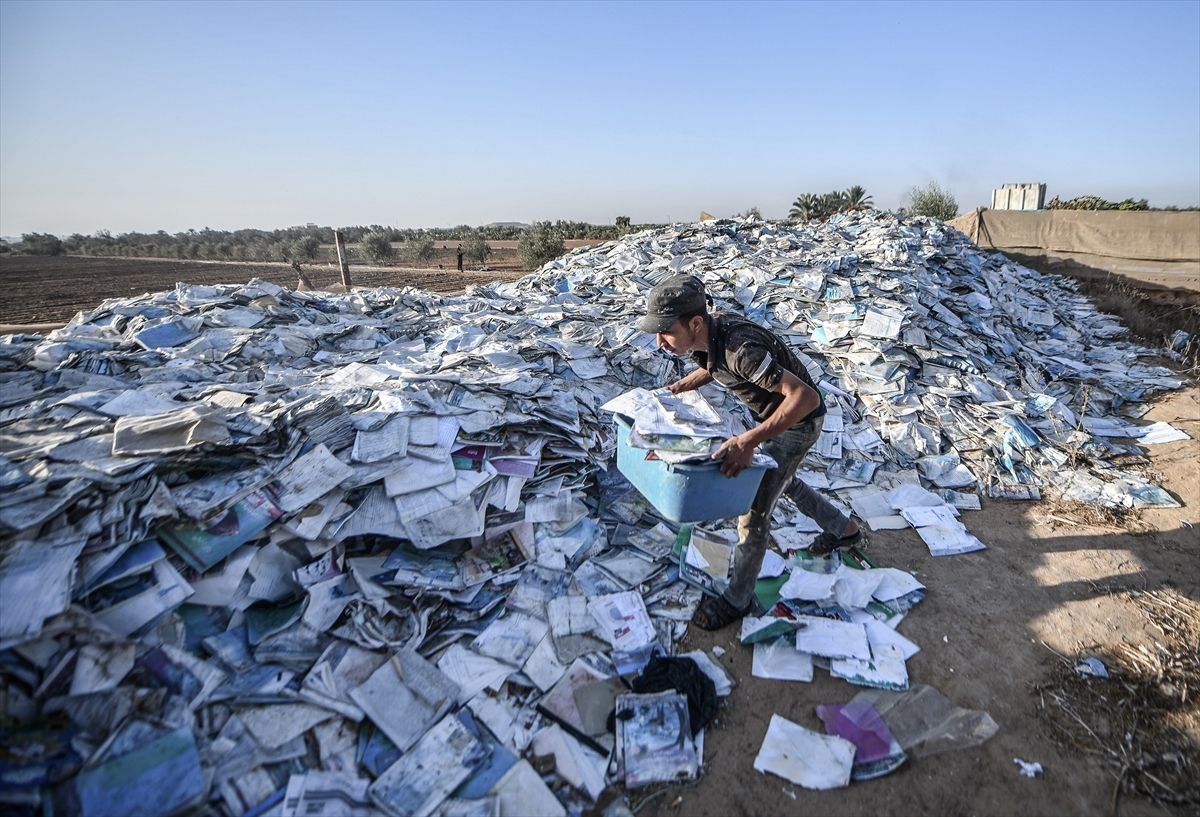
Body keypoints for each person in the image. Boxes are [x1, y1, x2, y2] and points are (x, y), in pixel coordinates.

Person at [638, 274, 863, 630]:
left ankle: (738, 598)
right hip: (772, 416)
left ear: (695, 323)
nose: (659, 342)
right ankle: (844, 529)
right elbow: (714, 368)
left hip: (798, 422)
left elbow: (806, 398)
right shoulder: (707, 336)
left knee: (754, 510)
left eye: (665, 331)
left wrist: (748, 442)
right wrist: (677, 388)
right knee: (782, 482)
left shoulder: (741, 351)